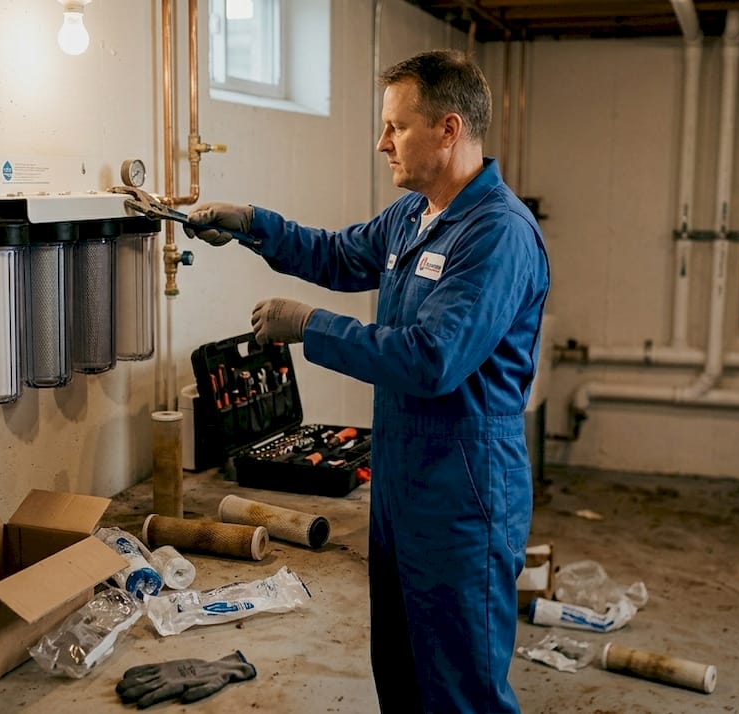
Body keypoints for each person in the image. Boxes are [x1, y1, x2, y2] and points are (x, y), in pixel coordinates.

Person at [184, 49, 549, 713]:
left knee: (461, 689)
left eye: (396, 127)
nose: (382, 143)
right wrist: (251, 225)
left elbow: (431, 360)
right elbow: (334, 252)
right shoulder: (413, 217)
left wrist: (311, 326)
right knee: (403, 673)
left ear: (448, 129)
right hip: (404, 484)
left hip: (464, 491)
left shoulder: (497, 234)